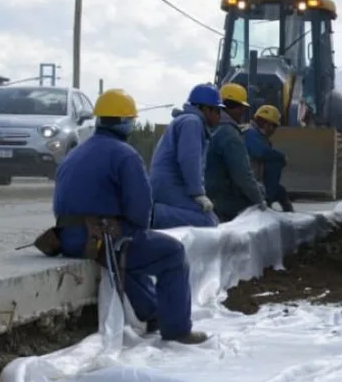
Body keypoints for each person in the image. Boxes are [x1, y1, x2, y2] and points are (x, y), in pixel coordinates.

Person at [50, 88, 207, 344]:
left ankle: (153, 312)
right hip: (100, 239)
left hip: (68, 238)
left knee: (130, 253)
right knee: (170, 253)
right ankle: (177, 329)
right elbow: (140, 212)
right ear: (125, 122)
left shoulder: (75, 152)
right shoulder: (125, 155)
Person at [149, 83, 223, 229]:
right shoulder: (192, 123)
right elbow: (189, 159)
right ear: (205, 109)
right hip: (170, 187)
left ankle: (156, 214)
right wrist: (197, 193)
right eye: (217, 111)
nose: (219, 116)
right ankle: (154, 215)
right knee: (208, 220)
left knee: (209, 218)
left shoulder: (187, 120)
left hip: (167, 185)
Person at [204, 82, 267, 222]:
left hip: (204, 194)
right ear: (236, 108)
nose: (242, 112)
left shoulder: (209, 127)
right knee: (260, 192)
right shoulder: (229, 133)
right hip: (219, 200)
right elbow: (243, 175)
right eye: (241, 108)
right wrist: (260, 200)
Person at [246, 104, 294, 212]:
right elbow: (258, 152)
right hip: (249, 181)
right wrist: (281, 156)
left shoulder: (262, 138)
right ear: (265, 123)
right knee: (276, 160)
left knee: (280, 191)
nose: (273, 130)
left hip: (257, 179)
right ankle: (267, 200)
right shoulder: (250, 133)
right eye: (272, 126)